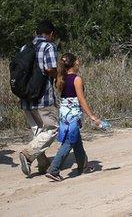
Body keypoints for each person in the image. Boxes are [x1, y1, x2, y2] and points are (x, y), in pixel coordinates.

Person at [46, 52, 102, 182]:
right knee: (69, 141)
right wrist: (92, 116)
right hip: (73, 114)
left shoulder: (61, 78)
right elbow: (81, 100)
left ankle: (83, 166)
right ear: (76, 62)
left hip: (64, 113)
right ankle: (54, 169)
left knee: (76, 140)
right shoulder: (77, 79)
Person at [18, 20, 59, 177]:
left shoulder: (24, 47)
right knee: (53, 128)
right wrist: (57, 76)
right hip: (43, 97)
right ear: (50, 34)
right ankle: (28, 154)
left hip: (26, 96)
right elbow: (50, 68)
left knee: (38, 131)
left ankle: (43, 164)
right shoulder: (48, 46)